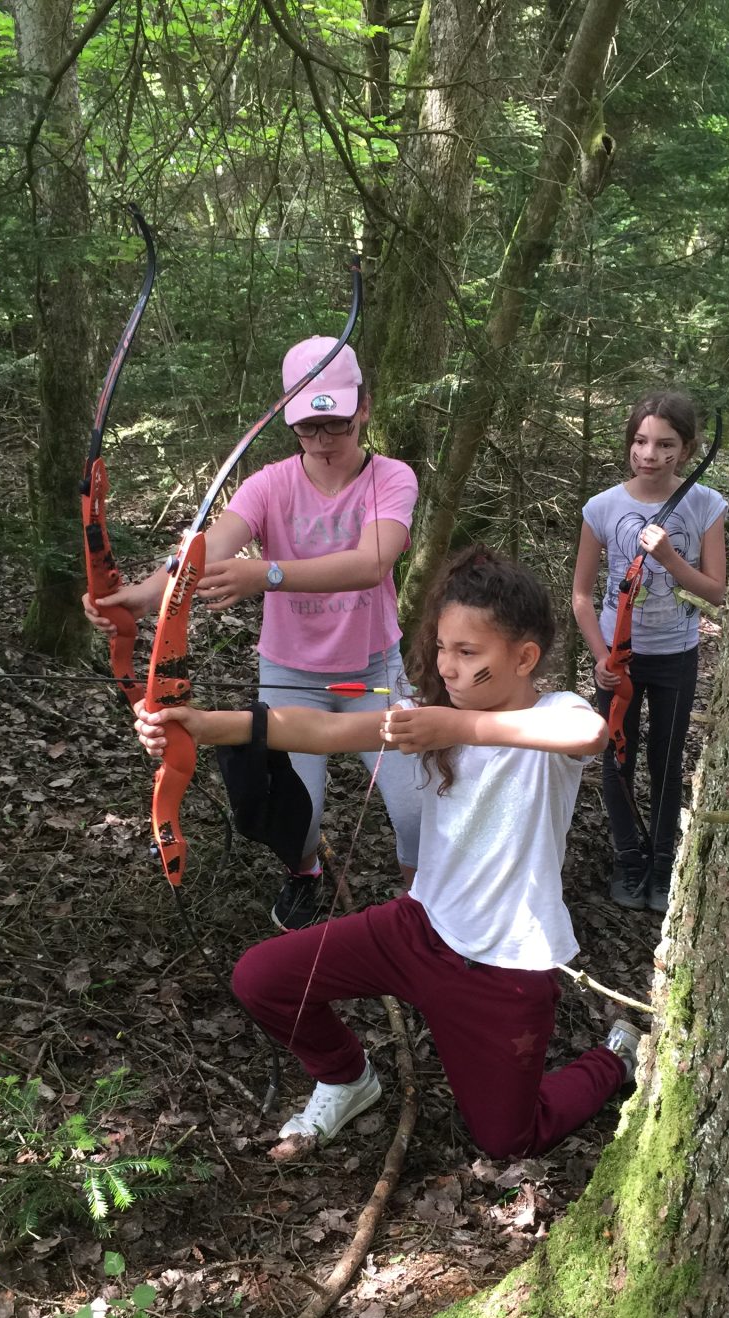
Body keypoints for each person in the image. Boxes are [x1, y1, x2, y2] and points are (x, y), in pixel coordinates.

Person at [133, 546, 643, 1159]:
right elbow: (322, 730)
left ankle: (614, 1058)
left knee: (509, 1139)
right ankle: (348, 1078)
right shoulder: (430, 715)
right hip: (418, 927)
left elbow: (586, 735)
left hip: (505, 966)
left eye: (468, 653)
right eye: (442, 649)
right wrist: (202, 724)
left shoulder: (553, 713)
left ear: (524, 657)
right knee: (262, 978)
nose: (448, 668)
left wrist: (452, 727)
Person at [84, 336, 423, 931]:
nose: (322, 442)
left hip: (373, 673)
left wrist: (264, 573)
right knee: (298, 814)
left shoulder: (391, 477)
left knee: (416, 805)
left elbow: (373, 561)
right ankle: (305, 873)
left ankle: (424, 904)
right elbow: (206, 549)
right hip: (291, 674)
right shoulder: (269, 484)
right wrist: (135, 599)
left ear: (364, 408)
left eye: (337, 425)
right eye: (308, 427)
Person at [572, 392, 728, 914]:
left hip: (677, 656)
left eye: (665, 444)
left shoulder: (705, 504)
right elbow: (581, 595)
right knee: (616, 758)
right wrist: (600, 657)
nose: (650, 453)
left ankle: (662, 864)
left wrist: (669, 558)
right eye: (641, 440)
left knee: (665, 759)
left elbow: (716, 590)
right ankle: (627, 860)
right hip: (618, 658)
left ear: (685, 450)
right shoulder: (603, 508)